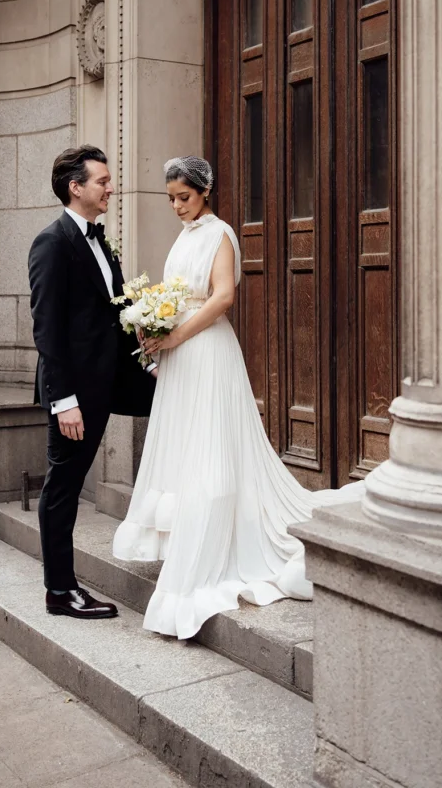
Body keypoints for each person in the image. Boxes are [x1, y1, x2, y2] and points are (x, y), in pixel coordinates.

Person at [113, 155, 364, 640]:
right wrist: (150, 319)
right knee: (186, 442)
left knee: (211, 443)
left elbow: (222, 296)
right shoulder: (184, 237)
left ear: (204, 192)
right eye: (170, 199)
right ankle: (185, 533)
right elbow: (176, 292)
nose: (176, 207)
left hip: (205, 350)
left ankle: (214, 540)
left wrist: (177, 334)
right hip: (179, 352)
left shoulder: (221, 234)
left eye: (183, 197)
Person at [29, 145, 156, 619]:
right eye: (102, 181)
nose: (112, 188)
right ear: (75, 187)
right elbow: (47, 329)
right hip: (76, 393)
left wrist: (148, 364)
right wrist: (63, 401)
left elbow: (115, 318)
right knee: (63, 487)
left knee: (184, 401)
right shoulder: (52, 242)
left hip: (116, 378)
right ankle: (60, 592)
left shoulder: (101, 240)